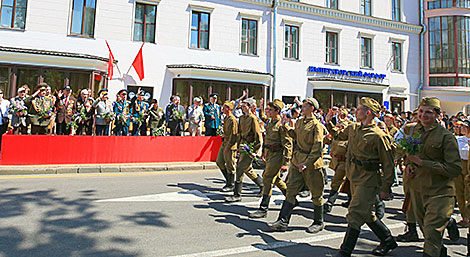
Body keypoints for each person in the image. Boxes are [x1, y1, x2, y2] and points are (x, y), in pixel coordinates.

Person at [326, 97, 397, 257]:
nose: (356, 111)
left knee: (355, 213)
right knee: (366, 213)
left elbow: (388, 164)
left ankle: (345, 252)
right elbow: (338, 136)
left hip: (369, 179)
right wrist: (330, 122)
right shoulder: (353, 128)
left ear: (368, 113)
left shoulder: (379, 135)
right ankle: (388, 240)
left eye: (359, 109)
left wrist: (386, 188)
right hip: (354, 176)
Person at [398, 97, 461, 257]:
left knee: (432, 231)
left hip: (440, 192)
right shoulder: (413, 131)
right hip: (418, 189)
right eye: (421, 112)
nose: (423, 115)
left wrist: (423, 163)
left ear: (437, 114)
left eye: (428, 112)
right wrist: (410, 166)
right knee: (427, 231)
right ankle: (441, 251)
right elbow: (410, 155)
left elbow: (454, 168)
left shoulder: (446, 137)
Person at [268, 97, 325, 234]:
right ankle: (282, 221)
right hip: (297, 161)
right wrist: (286, 126)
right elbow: (295, 136)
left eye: (304, 106)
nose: (302, 108)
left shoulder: (316, 125)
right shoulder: (299, 121)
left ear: (312, 108)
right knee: (291, 190)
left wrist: (306, 163)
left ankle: (318, 222)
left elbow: (317, 148)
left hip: (311, 164)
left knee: (316, 194)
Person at [249, 99, 292, 219]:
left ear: (277, 111)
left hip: (277, 155)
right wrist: (261, 107)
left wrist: (285, 163)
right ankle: (291, 198)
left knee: (267, 178)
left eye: (270, 110)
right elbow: (263, 117)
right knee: (276, 179)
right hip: (269, 154)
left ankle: (263, 208)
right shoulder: (271, 121)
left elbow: (288, 144)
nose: (268, 112)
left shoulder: (281, 125)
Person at [225, 98, 263, 202]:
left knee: (240, 168)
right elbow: (239, 133)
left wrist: (255, 151)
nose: (242, 108)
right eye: (241, 106)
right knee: (248, 169)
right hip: (243, 145)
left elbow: (257, 135)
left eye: (244, 106)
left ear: (249, 107)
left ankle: (237, 194)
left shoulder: (253, 118)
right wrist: (238, 146)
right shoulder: (241, 118)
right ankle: (262, 185)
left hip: (249, 146)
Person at [324, 119, 351, 214]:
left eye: (341, 127)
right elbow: (326, 141)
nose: (339, 128)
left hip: (345, 163)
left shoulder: (349, 138)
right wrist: (327, 138)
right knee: (348, 183)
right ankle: (350, 200)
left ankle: (330, 203)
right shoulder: (336, 136)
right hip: (336, 162)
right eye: (338, 126)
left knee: (336, 181)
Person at [216, 101, 238, 192]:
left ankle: (231, 184)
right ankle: (228, 181)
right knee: (219, 161)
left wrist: (228, 147)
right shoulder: (226, 118)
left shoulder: (233, 120)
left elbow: (234, 135)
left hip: (230, 144)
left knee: (230, 164)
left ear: (229, 109)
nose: (222, 109)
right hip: (224, 142)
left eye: (224, 108)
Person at [456, 120, 470, 227]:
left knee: (468, 194)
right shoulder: (458, 139)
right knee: (460, 193)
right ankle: (465, 218)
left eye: (465, 127)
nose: (463, 129)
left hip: (468, 166)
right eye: (462, 127)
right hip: (460, 166)